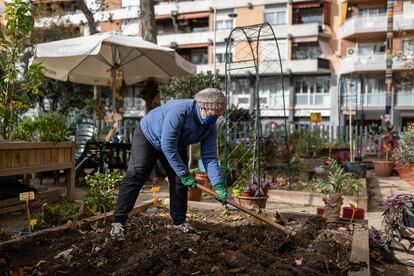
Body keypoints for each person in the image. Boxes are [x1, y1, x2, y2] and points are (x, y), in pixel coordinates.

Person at [111, 88, 227, 237]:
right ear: (202, 107)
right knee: (137, 174)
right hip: (149, 135)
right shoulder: (180, 111)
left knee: (179, 181)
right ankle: (118, 221)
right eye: (212, 116)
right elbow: (167, 145)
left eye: (218, 117)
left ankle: (179, 223)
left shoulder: (210, 126)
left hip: (175, 144)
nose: (214, 120)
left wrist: (217, 184)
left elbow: (210, 157)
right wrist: (184, 173)